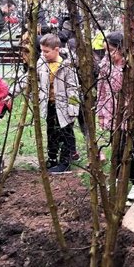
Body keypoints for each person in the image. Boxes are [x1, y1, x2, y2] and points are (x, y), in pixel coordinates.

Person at [96, 32, 134, 199]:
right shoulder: (105, 65)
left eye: (112, 50)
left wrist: (132, 112)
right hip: (110, 111)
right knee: (116, 147)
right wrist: (101, 113)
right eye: (107, 50)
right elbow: (101, 89)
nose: (109, 53)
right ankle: (115, 180)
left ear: (122, 49)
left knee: (127, 148)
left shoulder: (130, 67)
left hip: (126, 112)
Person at [37, 33, 79, 173]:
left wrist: (73, 108)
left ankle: (65, 162)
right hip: (48, 104)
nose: (43, 54)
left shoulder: (66, 65)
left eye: (46, 51)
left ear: (57, 49)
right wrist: (12, 92)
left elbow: (73, 88)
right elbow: (29, 78)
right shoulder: (41, 63)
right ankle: (52, 158)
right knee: (51, 132)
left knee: (66, 133)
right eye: (42, 51)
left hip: (64, 106)